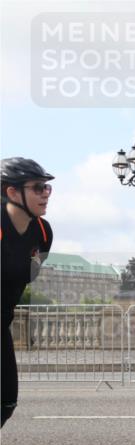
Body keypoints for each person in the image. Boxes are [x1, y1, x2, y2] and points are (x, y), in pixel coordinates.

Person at [2, 157, 55, 428]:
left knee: (6, 403)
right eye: (37, 188)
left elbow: (27, 276)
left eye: (47, 188)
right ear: (12, 192)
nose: (45, 194)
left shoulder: (43, 233)